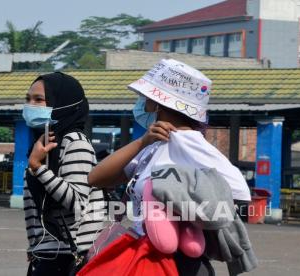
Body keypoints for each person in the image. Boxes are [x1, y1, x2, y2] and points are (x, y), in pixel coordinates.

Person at [88, 59, 251, 275]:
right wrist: (141, 143)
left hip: (179, 263)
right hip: (146, 254)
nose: (141, 102)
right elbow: (97, 178)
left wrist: (182, 201)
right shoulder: (153, 145)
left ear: (157, 102)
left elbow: (239, 191)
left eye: (145, 97)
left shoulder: (189, 142)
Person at [23, 72, 106, 276]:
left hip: (70, 257)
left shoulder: (74, 142)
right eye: (28, 99)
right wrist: (36, 246)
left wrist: (37, 167)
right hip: (48, 255)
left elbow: (77, 202)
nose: (30, 105)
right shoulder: (43, 145)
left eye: (39, 99)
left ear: (63, 103)